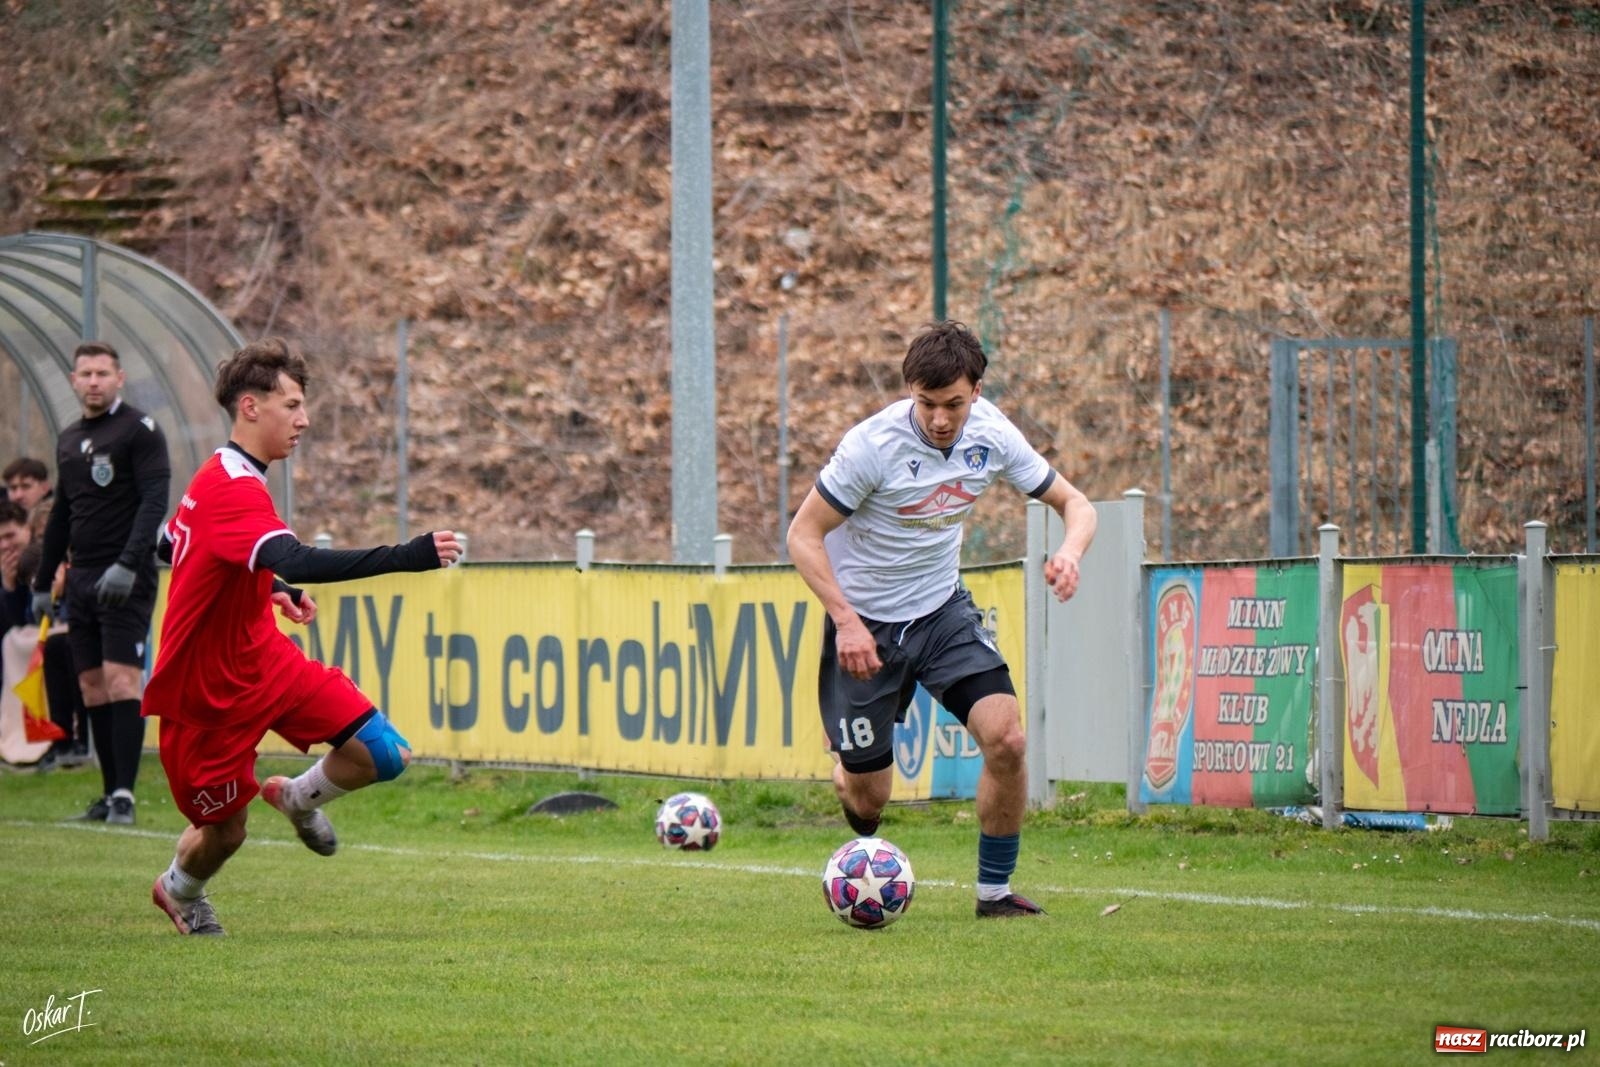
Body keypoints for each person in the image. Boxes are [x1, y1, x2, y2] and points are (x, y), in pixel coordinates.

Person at [144, 337, 462, 937]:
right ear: (250, 406)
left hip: (263, 660)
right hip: (206, 694)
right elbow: (296, 556)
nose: (304, 419)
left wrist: (268, 586)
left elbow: (173, 545)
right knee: (226, 832)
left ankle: (295, 797)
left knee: (385, 753)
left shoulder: (223, 474)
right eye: (291, 405)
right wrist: (408, 554)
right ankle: (179, 889)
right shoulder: (230, 486)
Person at [786, 320, 1097, 919]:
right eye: (925, 403)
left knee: (1007, 740)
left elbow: (1075, 504)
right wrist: (845, 622)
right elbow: (803, 535)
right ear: (910, 390)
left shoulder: (993, 435)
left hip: (941, 613)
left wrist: (1070, 552)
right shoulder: (870, 448)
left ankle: (994, 893)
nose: (938, 419)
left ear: (976, 390)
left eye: (953, 403)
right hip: (866, 626)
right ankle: (847, 772)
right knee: (869, 804)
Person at [30, 343, 170, 824]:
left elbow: (155, 501)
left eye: (102, 373)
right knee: (91, 686)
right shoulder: (69, 439)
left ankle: (126, 795)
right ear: (74, 380)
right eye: (86, 374)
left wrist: (129, 563)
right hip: (82, 577)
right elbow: (62, 515)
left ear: (119, 378)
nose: (94, 381)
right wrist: (43, 581)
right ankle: (109, 794)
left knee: (121, 679)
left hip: (125, 576)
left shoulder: (140, 430)